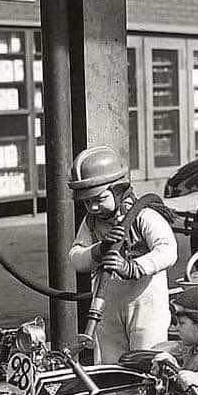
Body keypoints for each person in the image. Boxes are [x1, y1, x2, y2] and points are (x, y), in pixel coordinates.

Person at [68, 144, 178, 363]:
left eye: (99, 200)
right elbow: (75, 256)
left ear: (118, 190)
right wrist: (98, 250)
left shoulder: (143, 216)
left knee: (148, 359)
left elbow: (168, 250)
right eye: (87, 202)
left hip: (145, 302)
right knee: (110, 362)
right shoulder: (91, 223)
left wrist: (133, 267)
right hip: (107, 301)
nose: (93, 208)